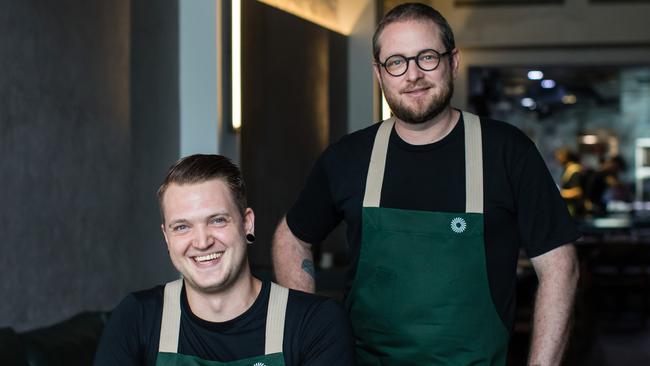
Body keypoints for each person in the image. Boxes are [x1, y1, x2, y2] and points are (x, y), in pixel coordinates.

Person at [272, 3, 580, 365]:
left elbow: (561, 265)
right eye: (396, 62)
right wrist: (306, 341)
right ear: (379, 73)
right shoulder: (349, 157)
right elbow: (290, 238)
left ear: (454, 61)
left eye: (427, 57)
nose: (412, 74)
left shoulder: (506, 152)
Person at [94, 154, 355, 366]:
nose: (201, 241)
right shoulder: (137, 318)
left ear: (247, 223)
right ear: (166, 237)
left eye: (217, 220)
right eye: (182, 227)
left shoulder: (316, 323)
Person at [554, 147, 586, 218]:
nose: (557, 159)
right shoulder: (569, 169)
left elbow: (577, 192)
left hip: (576, 211)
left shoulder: (574, 170)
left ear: (565, 156)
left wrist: (559, 194)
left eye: (559, 156)